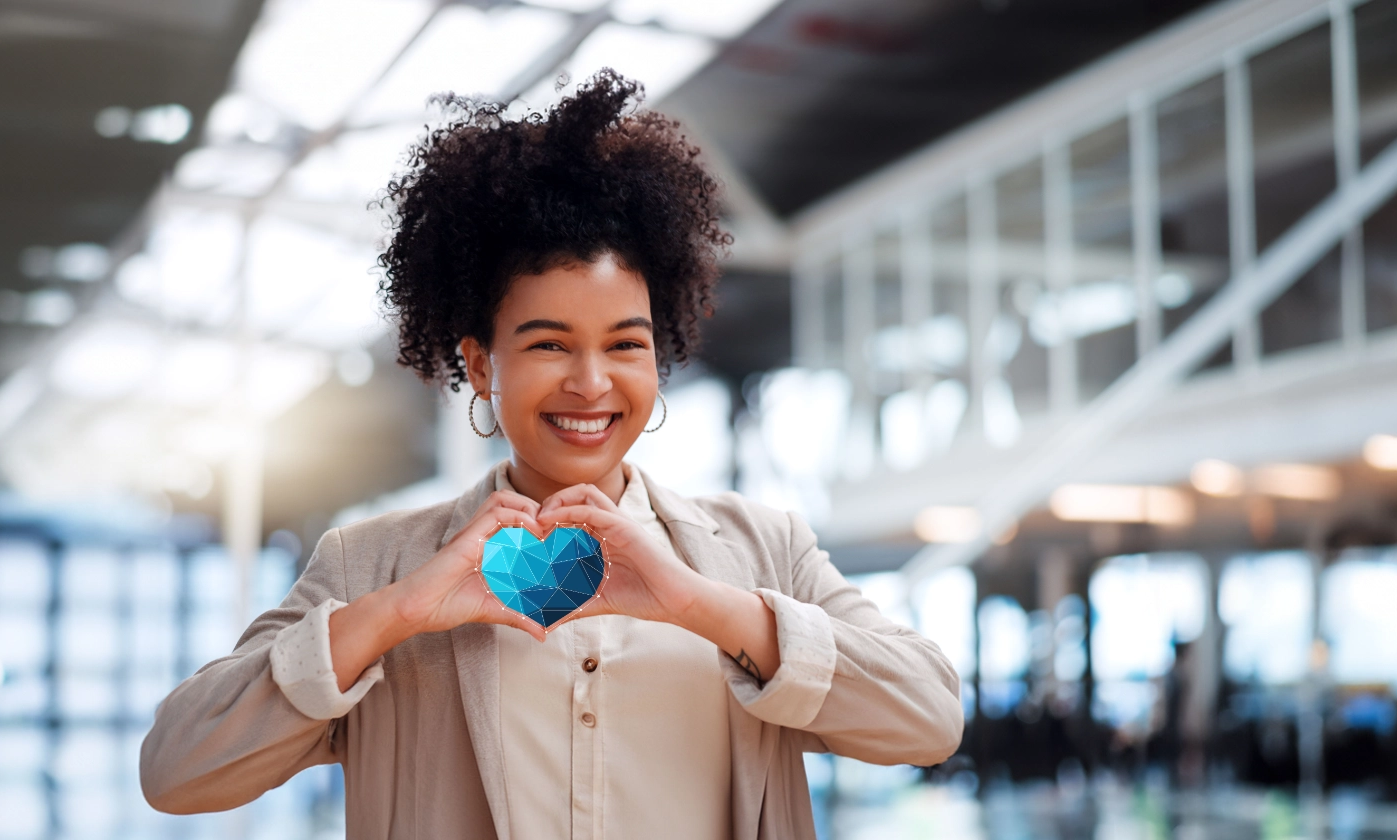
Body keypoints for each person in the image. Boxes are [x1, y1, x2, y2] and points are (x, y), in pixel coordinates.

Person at [138, 71, 963, 839]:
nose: (591, 383)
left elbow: (929, 718)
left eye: (626, 345)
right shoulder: (373, 566)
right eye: (549, 345)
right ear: (479, 363)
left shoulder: (761, 550)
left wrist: (701, 605)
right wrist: (398, 615)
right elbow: (177, 770)